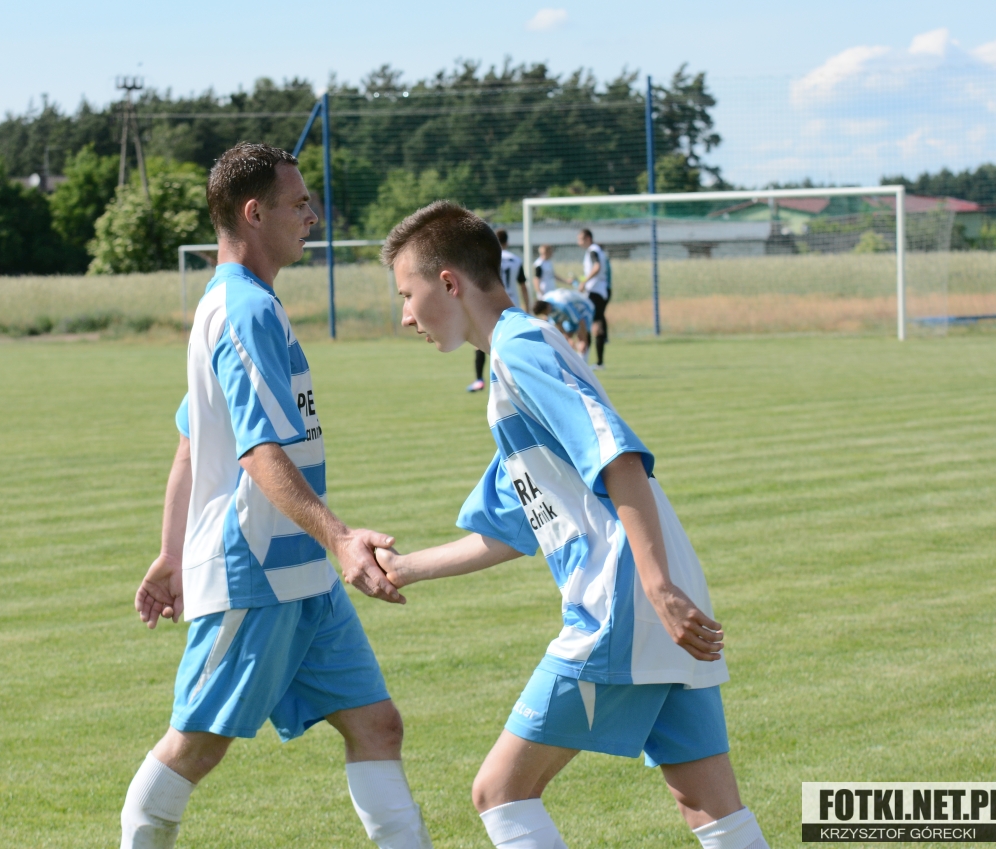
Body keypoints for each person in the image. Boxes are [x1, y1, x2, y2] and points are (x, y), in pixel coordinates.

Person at [377, 201, 769, 849]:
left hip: (625, 602)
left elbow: (618, 458)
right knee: (707, 805)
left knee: (500, 791)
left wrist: (655, 587)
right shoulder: (522, 357)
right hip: (660, 599)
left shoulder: (519, 351)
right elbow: (512, 527)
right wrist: (403, 568)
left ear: (447, 282)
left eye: (406, 294)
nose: (405, 316)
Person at [123, 142, 432, 849]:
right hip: (256, 567)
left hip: (301, 570)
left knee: (376, 725)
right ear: (253, 213)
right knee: (194, 746)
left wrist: (170, 553)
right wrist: (340, 538)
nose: (312, 216)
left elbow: (191, 442)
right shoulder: (243, 310)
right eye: (299, 204)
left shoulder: (246, 304)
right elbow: (259, 452)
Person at [470, 228, 530, 393]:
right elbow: (523, 286)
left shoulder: (487, 258)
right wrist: (527, 307)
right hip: (511, 305)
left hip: (490, 305)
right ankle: (515, 379)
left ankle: (479, 380)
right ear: (507, 242)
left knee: (481, 342)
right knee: (511, 342)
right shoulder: (516, 260)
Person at [577, 228, 610, 370]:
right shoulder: (596, 250)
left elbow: (597, 267)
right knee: (596, 325)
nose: (579, 242)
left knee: (592, 326)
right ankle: (598, 362)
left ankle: (587, 362)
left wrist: (584, 282)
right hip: (599, 291)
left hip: (595, 292)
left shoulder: (592, 251)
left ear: (588, 238)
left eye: (580, 239)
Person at [530, 287, 593, 359]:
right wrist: (569, 340)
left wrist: (584, 340)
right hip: (569, 314)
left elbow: (580, 321)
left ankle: (583, 361)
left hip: (584, 308)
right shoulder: (547, 305)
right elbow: (559, 325)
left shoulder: (562, 304)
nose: (545, 315)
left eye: (545, 313)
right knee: (566, 341)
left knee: (581, 339)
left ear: (547, 307)